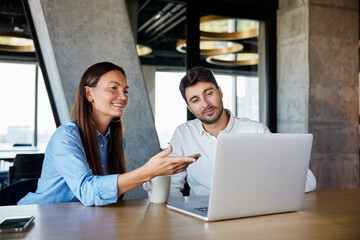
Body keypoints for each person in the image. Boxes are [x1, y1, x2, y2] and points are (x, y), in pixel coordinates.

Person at [18, 62, 198, 206]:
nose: (123, 97)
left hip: (80, 220)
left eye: (125, 91)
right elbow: (87, 192)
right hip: (39, 220)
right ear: (89, 94)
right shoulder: (66, 136)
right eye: (113, 88)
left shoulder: (116, 138)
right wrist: (148, 172)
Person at [169, 66, 316, 197]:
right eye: (195, 100)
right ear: (189, 108)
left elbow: (308, 182)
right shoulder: (183, 134)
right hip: (201, 217)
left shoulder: (255, 131)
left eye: (209, 93)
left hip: (249, 214)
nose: (205, 104)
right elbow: (170, 186)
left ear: (220, 92)